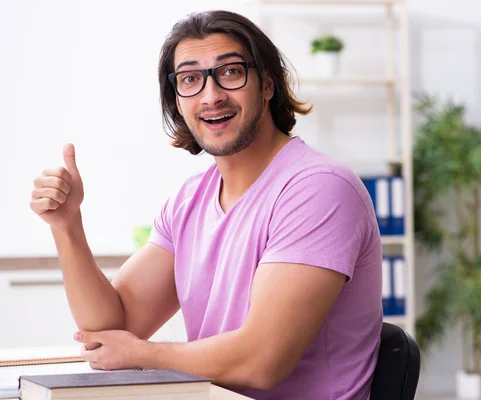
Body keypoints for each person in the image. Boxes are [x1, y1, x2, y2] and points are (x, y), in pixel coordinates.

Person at [29, 9, 383, 400]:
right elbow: (113, 327)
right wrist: (67, 225)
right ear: (177, 101)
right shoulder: (188, 200)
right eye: (190, 79)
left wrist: (145, 355)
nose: (211, 96)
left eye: (230, 72)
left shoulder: (318, 190)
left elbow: (262, 362)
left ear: (267, 84)